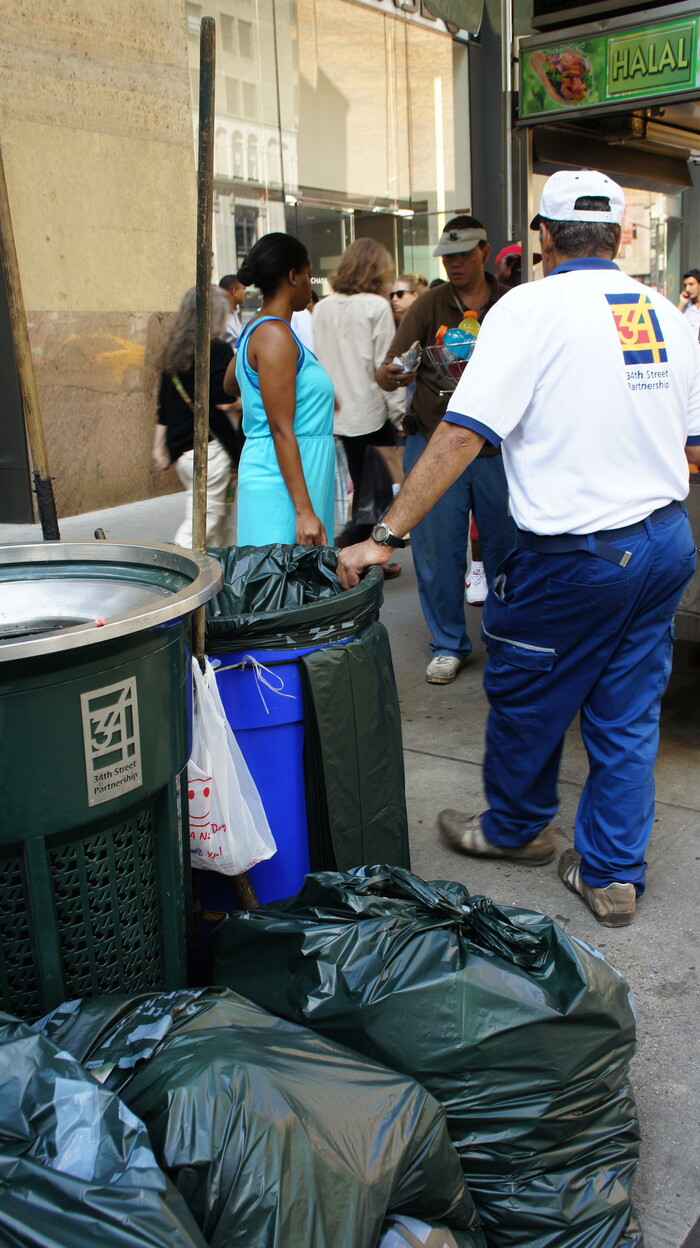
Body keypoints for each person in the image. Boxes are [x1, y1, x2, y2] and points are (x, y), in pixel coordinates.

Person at [338, 168, 700, 928]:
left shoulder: (529, 310)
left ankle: (516, 830)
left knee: (526, 696)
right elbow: (693, 447)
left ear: (542, 236)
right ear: (621, 236)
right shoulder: (664, 312)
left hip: (577, 556)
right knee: (628, 714)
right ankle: (611, 877)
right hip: (665, 541)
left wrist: (384, 535)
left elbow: (463, 433)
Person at [376, 214, 516, 684]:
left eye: (463, 254)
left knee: (507, 547)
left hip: (498, 447)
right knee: (437, 552)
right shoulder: (431, 303)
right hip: (435, 440)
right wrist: (393, 373)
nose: (455, 263)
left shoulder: (510, 303)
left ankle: (505, 637)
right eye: (448, 256)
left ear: (483, 252)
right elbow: (389, 365)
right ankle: (449, 643)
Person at [226, 232, 335, 547]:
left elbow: (231, 381)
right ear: (292, 275)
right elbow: (279, 427)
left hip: (293, 471)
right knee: (284, 589)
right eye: (307, 273)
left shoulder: (261, 328)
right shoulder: (273, 333)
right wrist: (304, 511)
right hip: (283, 481)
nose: (308, 284)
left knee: (294, 589)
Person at [313, 238, 405, 573]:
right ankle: (344, 557)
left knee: (367, 493)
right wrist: (400, 414)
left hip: (336, 414)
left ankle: (367, 560)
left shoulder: (322, 306)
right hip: (372, 413)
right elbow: (386, 366)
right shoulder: (376, 306)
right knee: (375, 499)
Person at [152, 285, 240, 549]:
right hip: (210, 452)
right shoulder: (218, 349)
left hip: (182, 453)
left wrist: (158, 448)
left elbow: (163, 406)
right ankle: (173, 579)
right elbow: (223, 401)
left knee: (219, 527)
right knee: (198, 530)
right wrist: (246, 400)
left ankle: (218, 581)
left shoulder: (174, 351)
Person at [219, 273, 246, 343]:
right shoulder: (221, 318)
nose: (245, 292)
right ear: (235, 291)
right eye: (243, 288)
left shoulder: (234, 314)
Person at [678, 268, 700, 334]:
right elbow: (673, 324)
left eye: (691, 284)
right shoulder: (686, 307)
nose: (687, 289)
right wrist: (682, 303)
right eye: (685, 285)